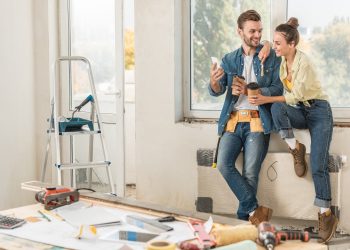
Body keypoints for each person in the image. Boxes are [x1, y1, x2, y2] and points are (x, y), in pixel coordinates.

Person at [250, 17, 338, 243]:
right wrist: (269, 43)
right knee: (278, 108)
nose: (274, 46)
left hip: (319, 112)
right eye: (275, 43)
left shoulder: (304, 62)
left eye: (278, 43)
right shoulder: (282, 59)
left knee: (318, 164)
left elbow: (296, 95)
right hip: (300, 110)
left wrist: (265, 98)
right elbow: (269, 43)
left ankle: (325, 214)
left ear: (291, 45)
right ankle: (295, 148)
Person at [209, 10, 283, 226]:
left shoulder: (270, 56)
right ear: (239, 31)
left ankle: (245, 224)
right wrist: (214, 82)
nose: (257, 35)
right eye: (252, 31)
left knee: (250, 173)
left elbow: (278, 87)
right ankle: (255, 210)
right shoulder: (229, 59)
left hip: (258, 122)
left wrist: (252, 91)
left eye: (260, 31)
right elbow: (217, 90)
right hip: (232, 122)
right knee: (223, 164)